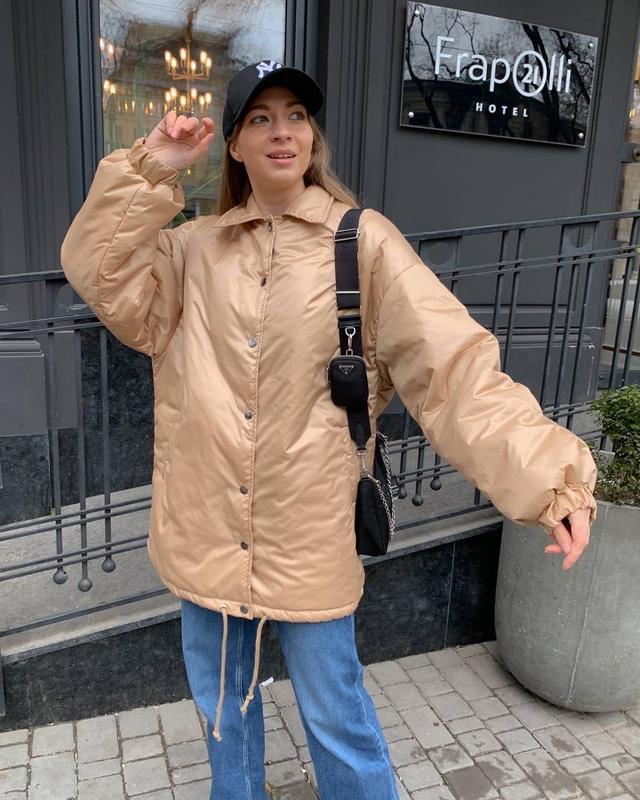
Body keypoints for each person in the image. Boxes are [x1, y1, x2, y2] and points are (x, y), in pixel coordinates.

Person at [60, 60, 598, 800]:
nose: (281, 132)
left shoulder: (363, 242)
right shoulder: (191, 251)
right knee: (222, 714)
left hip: (309, 532)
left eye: (296, 116)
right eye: (260, 119)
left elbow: (453, 370)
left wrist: (552, 480)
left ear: (313, 137)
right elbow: (96, 268)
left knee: (337, 717)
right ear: (235, 145)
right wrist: (153, 165)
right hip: (205, 526)